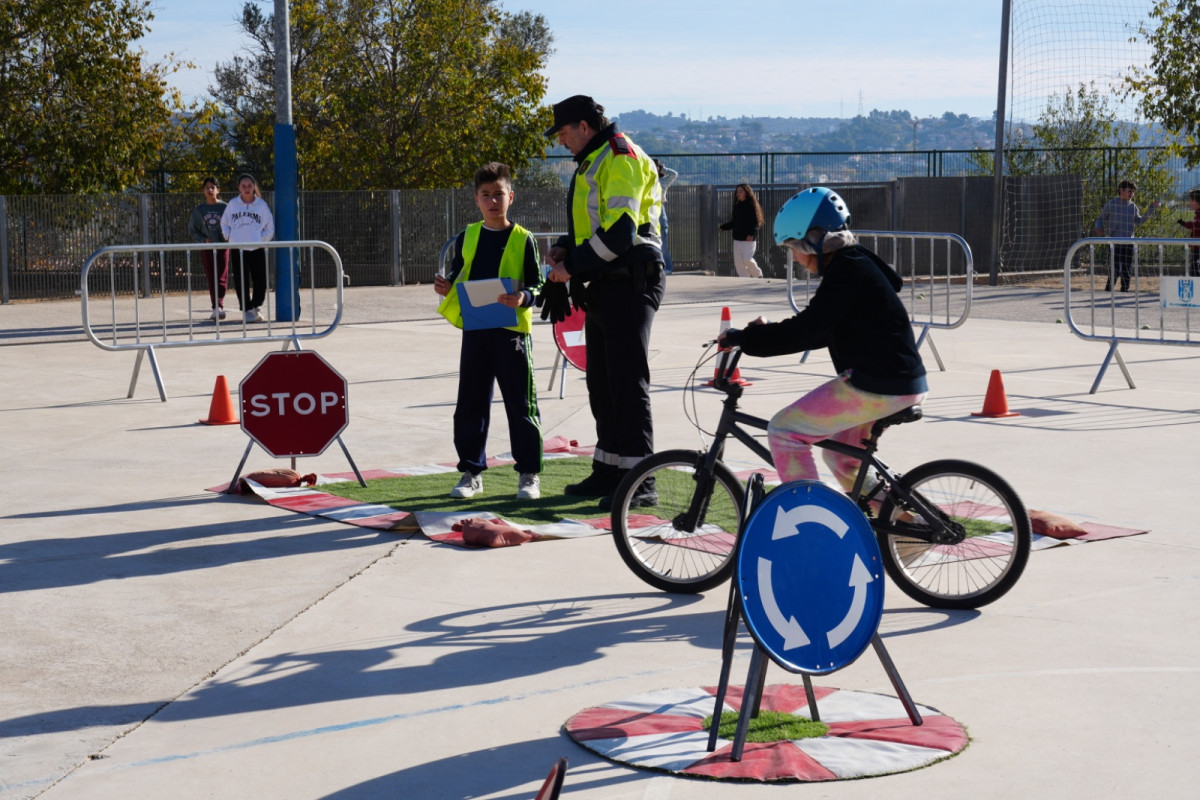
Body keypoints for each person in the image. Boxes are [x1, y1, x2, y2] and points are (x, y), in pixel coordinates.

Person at [718, 187, 928, 495]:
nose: (795, 257)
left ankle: (811, 516)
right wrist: (760, 335)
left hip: (880, 383)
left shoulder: (847, 271)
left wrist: (745, 338)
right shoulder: (854, 265)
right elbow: (822, 330)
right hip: (895, 382)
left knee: (783, 431)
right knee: (840, 457)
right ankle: (900, 522)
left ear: (814, 238)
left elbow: (806, 330)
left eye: (793, 246)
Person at [542, 95, 665, 508]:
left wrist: (569, 267)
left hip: (629, 281)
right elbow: (593, 225)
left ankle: (640, 483)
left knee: (627, 384)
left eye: (562, 133)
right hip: (605, 284)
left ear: (583, 126)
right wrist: (563, 249)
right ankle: (609, 471)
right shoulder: (597, 159)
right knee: (603, 384)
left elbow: (620, 234)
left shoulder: (620, 156)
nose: (561, 142)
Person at [435, 162, 544, 501]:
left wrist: (524, 297)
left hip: (511, 333)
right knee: (471, 402)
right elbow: (457, 273)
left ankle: (528, 474)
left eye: (499, 194)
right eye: (486, 195)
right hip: (477, 330)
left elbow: (537, 283)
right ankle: (471, 472)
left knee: (520, 403)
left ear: (511, 196)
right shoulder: (467, 236)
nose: (493, 201)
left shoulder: (524, 239)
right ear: (476, 200)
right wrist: (445, 285)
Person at [221, 173, 275, 322]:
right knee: (241, 280)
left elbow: (269, 227)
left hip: (256, 248)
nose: (246, 189)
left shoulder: (261, 205)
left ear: (253, 187)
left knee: (260, 280)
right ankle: (246, 310)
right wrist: (228, 236)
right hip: (238, 248)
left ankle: (256, 306)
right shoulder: (232, 204)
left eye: (249, 186)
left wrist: (260, 240)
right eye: (243, 186)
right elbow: (224, 223)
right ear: (239, 187)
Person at [1095, 179, 1159, 292]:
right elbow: (1100, 218)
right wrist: (1098, 227)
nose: (1131, 194)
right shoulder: (1111, 204)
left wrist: (1151, 208)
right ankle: (1108, 290)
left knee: (1127, 269)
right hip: (1114, 242)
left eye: (1133, 192)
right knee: (1115, 268)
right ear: (1121, 190)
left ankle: (1124, 291)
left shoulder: (1133, 207)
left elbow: (1140, 221)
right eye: (1129, 191)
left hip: (1129, 242)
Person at [188, 177, 229, 321]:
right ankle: (215, 307)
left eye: (213, 187)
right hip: (208, 248)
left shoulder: (225, 208)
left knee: (221, 276)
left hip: (223, 247)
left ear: (218, 190)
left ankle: (220, 305)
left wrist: (228, 237)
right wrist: (203, 240)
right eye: (207, 187)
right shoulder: (199, 210)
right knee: (211, 276)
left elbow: (233, 225)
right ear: (203, 191)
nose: (210, 190)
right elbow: (193, 230)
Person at [720, 182, 765, 278]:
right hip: (737, 239)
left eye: (741, 191)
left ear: (747, 192)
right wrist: (722, 227)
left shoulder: (751, 205)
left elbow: (756, 222)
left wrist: (751, 234)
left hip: (748, 239)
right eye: (737, 192)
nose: (738, 194)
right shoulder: (737, 206)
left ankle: (758, 275)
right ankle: (745, 280)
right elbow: (735, 222)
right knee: (739, 264)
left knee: (747, 259)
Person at [653, 159, 678, 275]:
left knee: (663, 242)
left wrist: (663, 169)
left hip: (659, 207)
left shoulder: (662, 181)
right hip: (650, 209)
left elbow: (674, 174)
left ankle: (668, 267)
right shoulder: (647, 179)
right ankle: (659, 266)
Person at [1177, 188, 1200, 277]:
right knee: (1194, 268)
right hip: (1196, 246)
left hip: (1198, 247)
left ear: (1196, 201)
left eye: (1191, 200)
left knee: (1195, 269)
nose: (1189, 203)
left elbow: (1196, 225)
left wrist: (1184, 223)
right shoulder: (1197, 213)